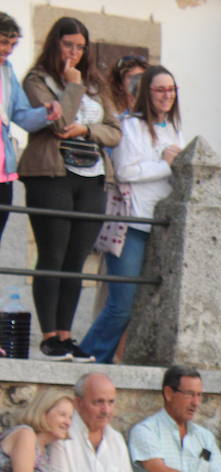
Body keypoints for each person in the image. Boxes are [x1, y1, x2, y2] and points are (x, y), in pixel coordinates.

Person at [19, 16, 121, 361]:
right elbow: (59, 123)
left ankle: (66, 334)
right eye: (68, 45)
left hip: (91, 176)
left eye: (80, 47)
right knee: (53, 253)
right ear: (54, 44)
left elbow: (114, 131)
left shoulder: (97, 82)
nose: (75, 53)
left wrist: (87, 132)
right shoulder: (37, 80)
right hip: (51, 174)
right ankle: (48, 335)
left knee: (76, 259)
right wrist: (72, 86)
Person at [81, 65, 182, 364]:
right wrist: (167, 164)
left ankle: (105, 358)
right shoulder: (131, 126)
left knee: (143, 303)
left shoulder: (174, 127)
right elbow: (125, 171)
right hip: (133, 223)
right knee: (121, 303)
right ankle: (90, 356)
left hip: (162, 225)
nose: (167, 96)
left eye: (172, 90)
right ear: (145, 94)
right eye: (160, 90)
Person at [0, 13, 62, 245]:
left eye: (13, 44)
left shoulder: (7, 71)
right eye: (4, 42)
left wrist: (46, 112)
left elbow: (21, 115)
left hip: (3, 174)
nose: (8, 50)